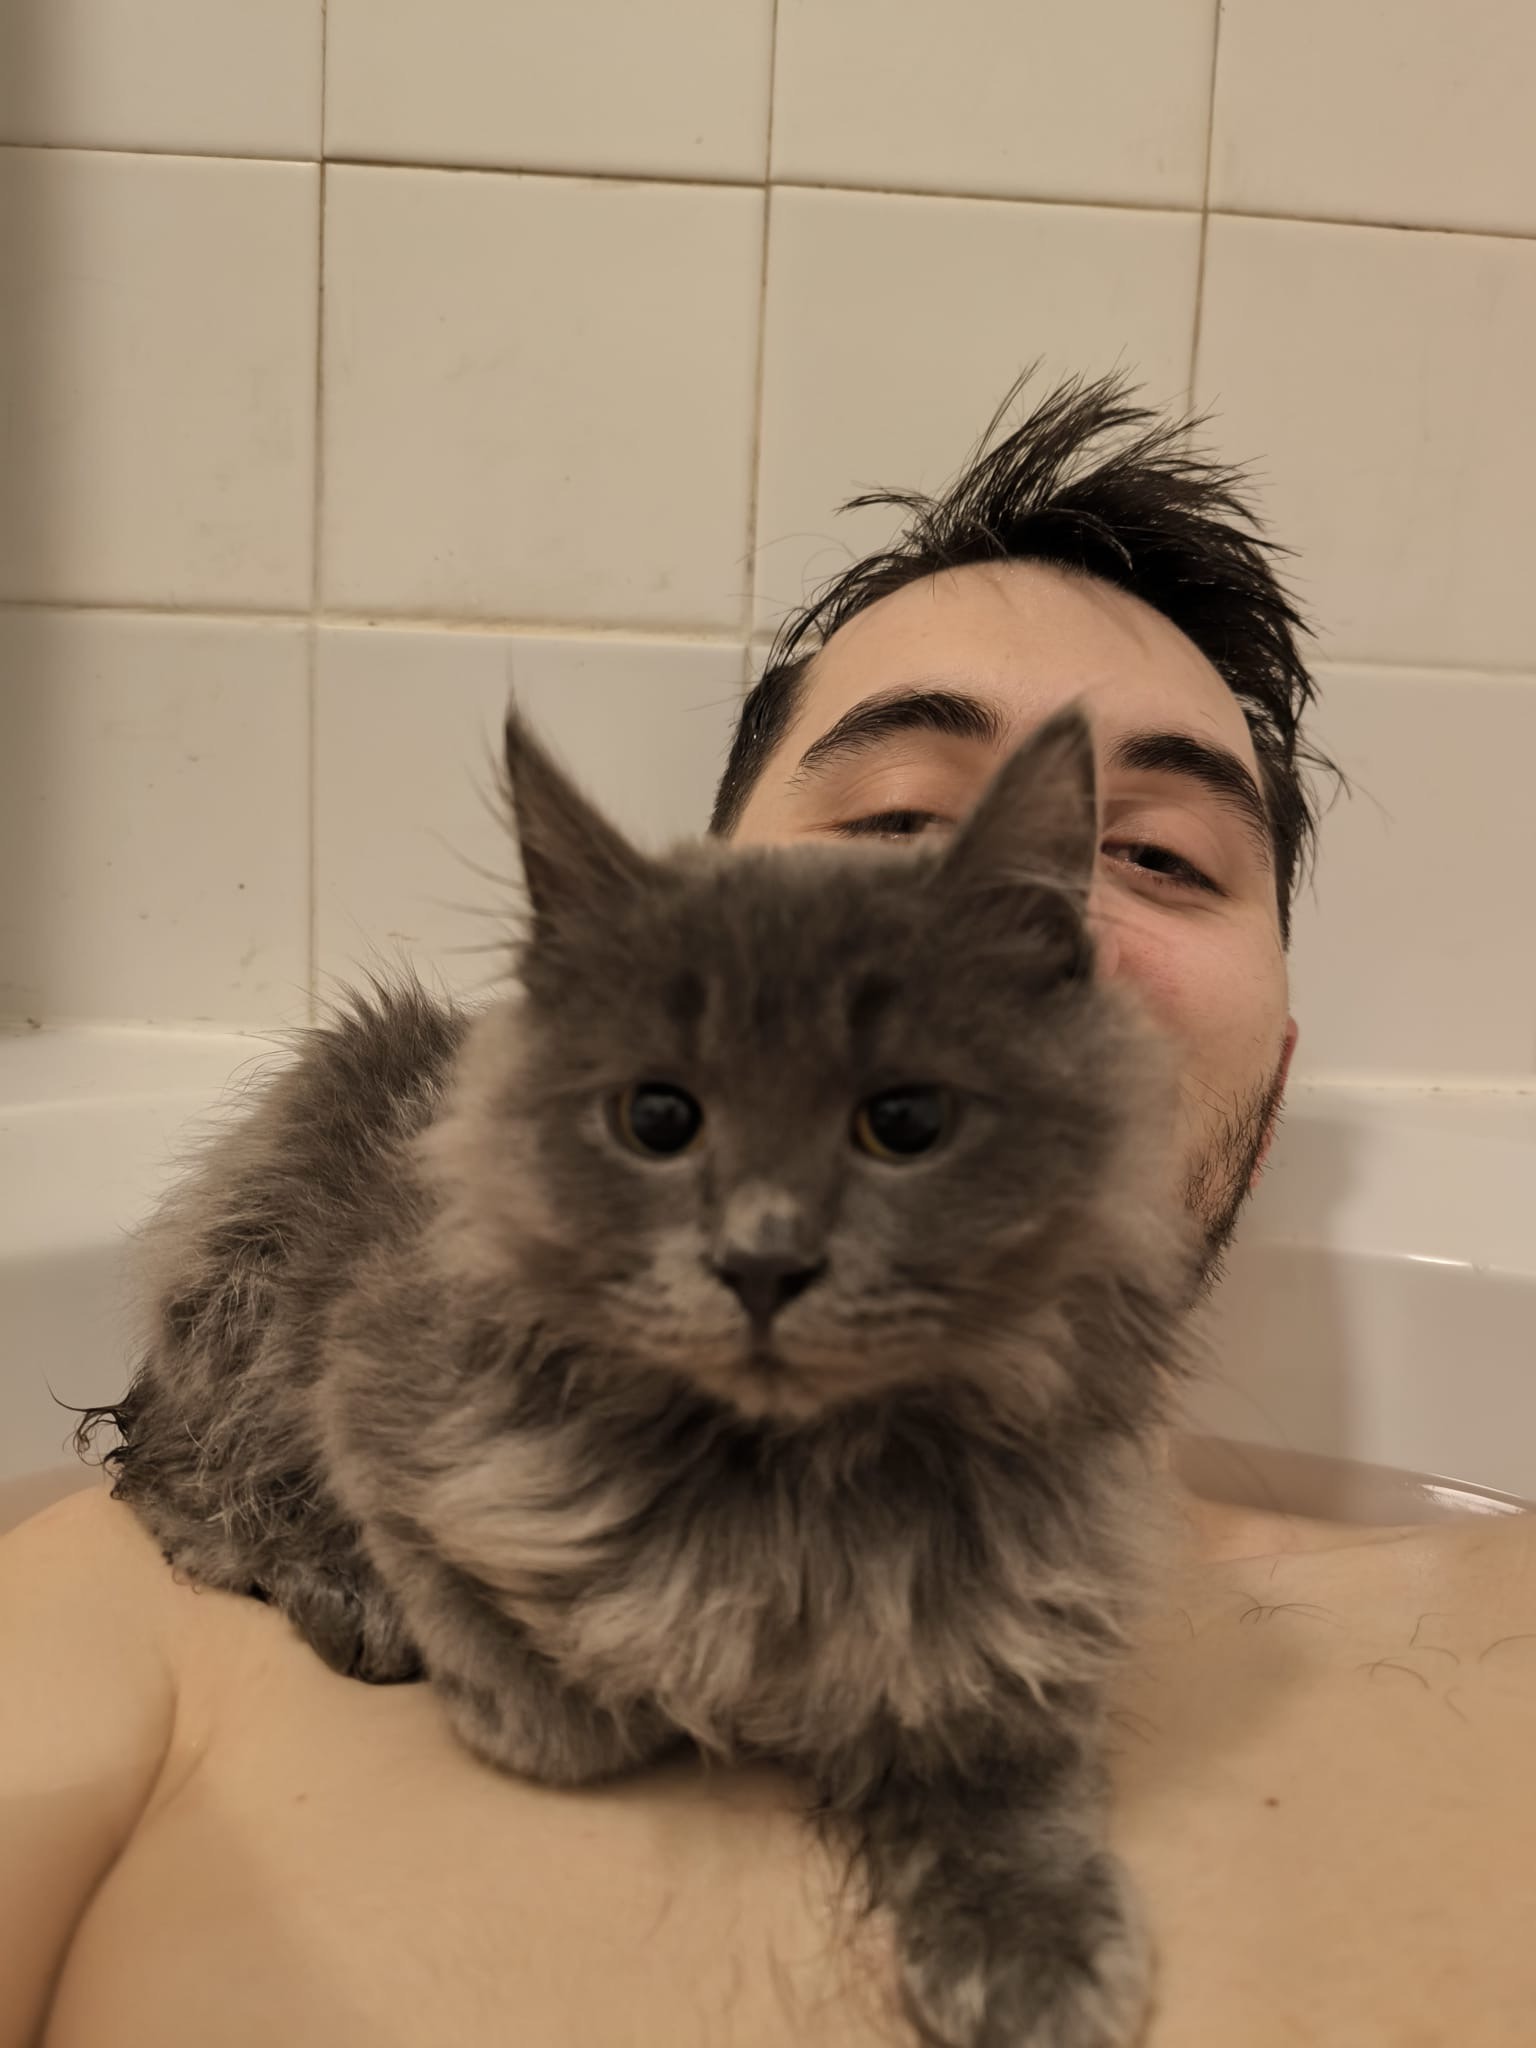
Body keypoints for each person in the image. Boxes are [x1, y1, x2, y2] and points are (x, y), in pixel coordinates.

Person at [3, 376, 1532, 2048]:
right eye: (891, 826)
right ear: (711, 890)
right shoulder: (135, 1624)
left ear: (1284, 1060)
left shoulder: (1488, 1615)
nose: (1051, 932)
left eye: (1156, 855)